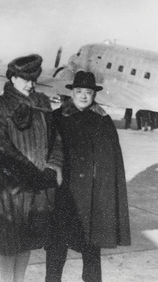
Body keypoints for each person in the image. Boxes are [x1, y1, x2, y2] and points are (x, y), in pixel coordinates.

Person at [46, 71, 131, 282]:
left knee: (91, 249)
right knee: (57, 247)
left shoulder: (102, 120)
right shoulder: (57, 117)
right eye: (79, 91)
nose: (83, 96)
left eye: (88, 92)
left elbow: (111, 162)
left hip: (91, 197)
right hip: (62, 193)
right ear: (72, 93)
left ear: (94, 94)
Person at [0, 54, 61, 282]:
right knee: (9, 243)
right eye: (24, 79)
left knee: (27, 240)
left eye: (33, 79)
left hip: (39, 186)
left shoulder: (42, 102)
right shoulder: (0, 105)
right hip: (11, 187)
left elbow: (55, 138)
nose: (30, 84)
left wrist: (53, 165)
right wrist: (29, 173)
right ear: (12, 78)